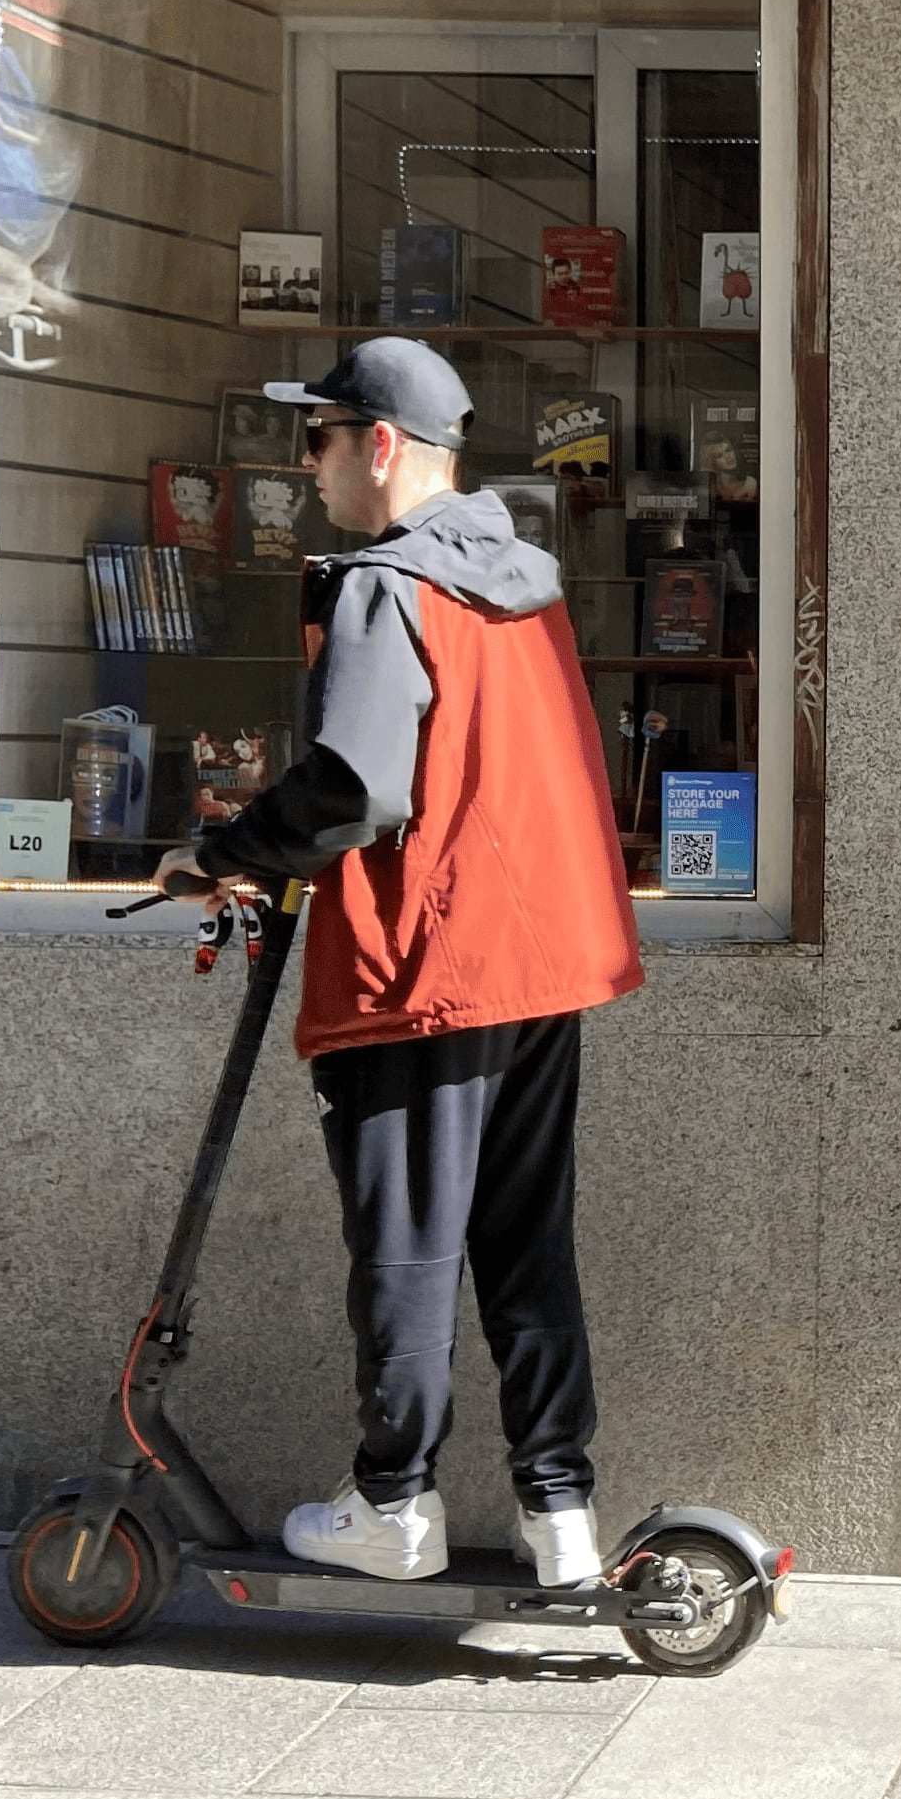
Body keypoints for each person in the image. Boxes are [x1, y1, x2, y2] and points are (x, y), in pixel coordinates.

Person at [155, 336, 645, 1591]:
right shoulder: (519, 581)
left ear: (377, 446)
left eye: (313, 440)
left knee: (409, 1247)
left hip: (424, 967)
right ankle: (560, 1509)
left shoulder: (386, 587)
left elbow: (354, 790)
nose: (301, 467)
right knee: (527, 1242)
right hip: (540, 958)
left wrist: (228, 846)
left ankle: (395, 1504)